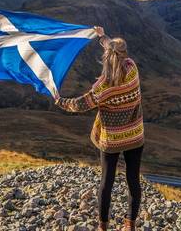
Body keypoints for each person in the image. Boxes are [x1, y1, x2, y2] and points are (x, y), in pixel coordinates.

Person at [54, 26, 145, 231]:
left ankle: (103, 227)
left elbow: (79, 104)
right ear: (124, 55)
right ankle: (130, 225)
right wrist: (103, 37)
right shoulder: (132, 70)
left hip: (111, 139)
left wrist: (60, 101)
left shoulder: (102, 87)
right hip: (135, 136)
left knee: (106, 182)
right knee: (133, 180)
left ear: (108, 56)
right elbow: (115, 50)